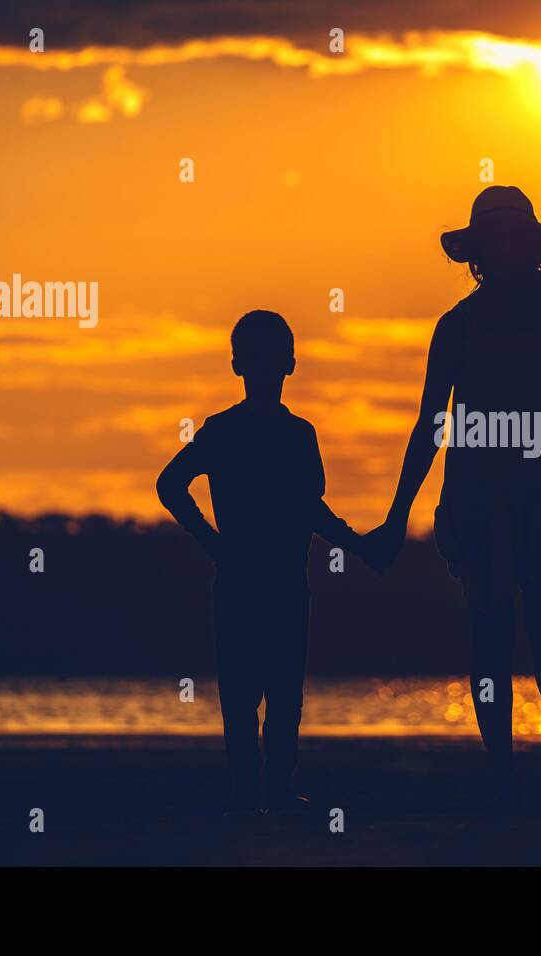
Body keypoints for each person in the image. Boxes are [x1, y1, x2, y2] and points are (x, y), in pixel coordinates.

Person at [367, 185, 541, 810]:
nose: (506, 253)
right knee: (491, 634)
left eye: (513, 242)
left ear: (530, 250)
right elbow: (430, 426)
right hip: (482, 501)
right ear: (482, 254)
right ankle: (502, 768)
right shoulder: (457, 327)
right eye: (497, 243)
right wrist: (396, 516)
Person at [157, 309, 374, 816]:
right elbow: (311, 509)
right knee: (269, 696)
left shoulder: (261, 433)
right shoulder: (280, 434)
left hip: (256, 581)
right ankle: (265, 792)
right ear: (288, 365)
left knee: (259, 697)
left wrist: (213, 544)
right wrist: (212, 543)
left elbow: (308, 509)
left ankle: (262, 793)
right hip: (263, 583)